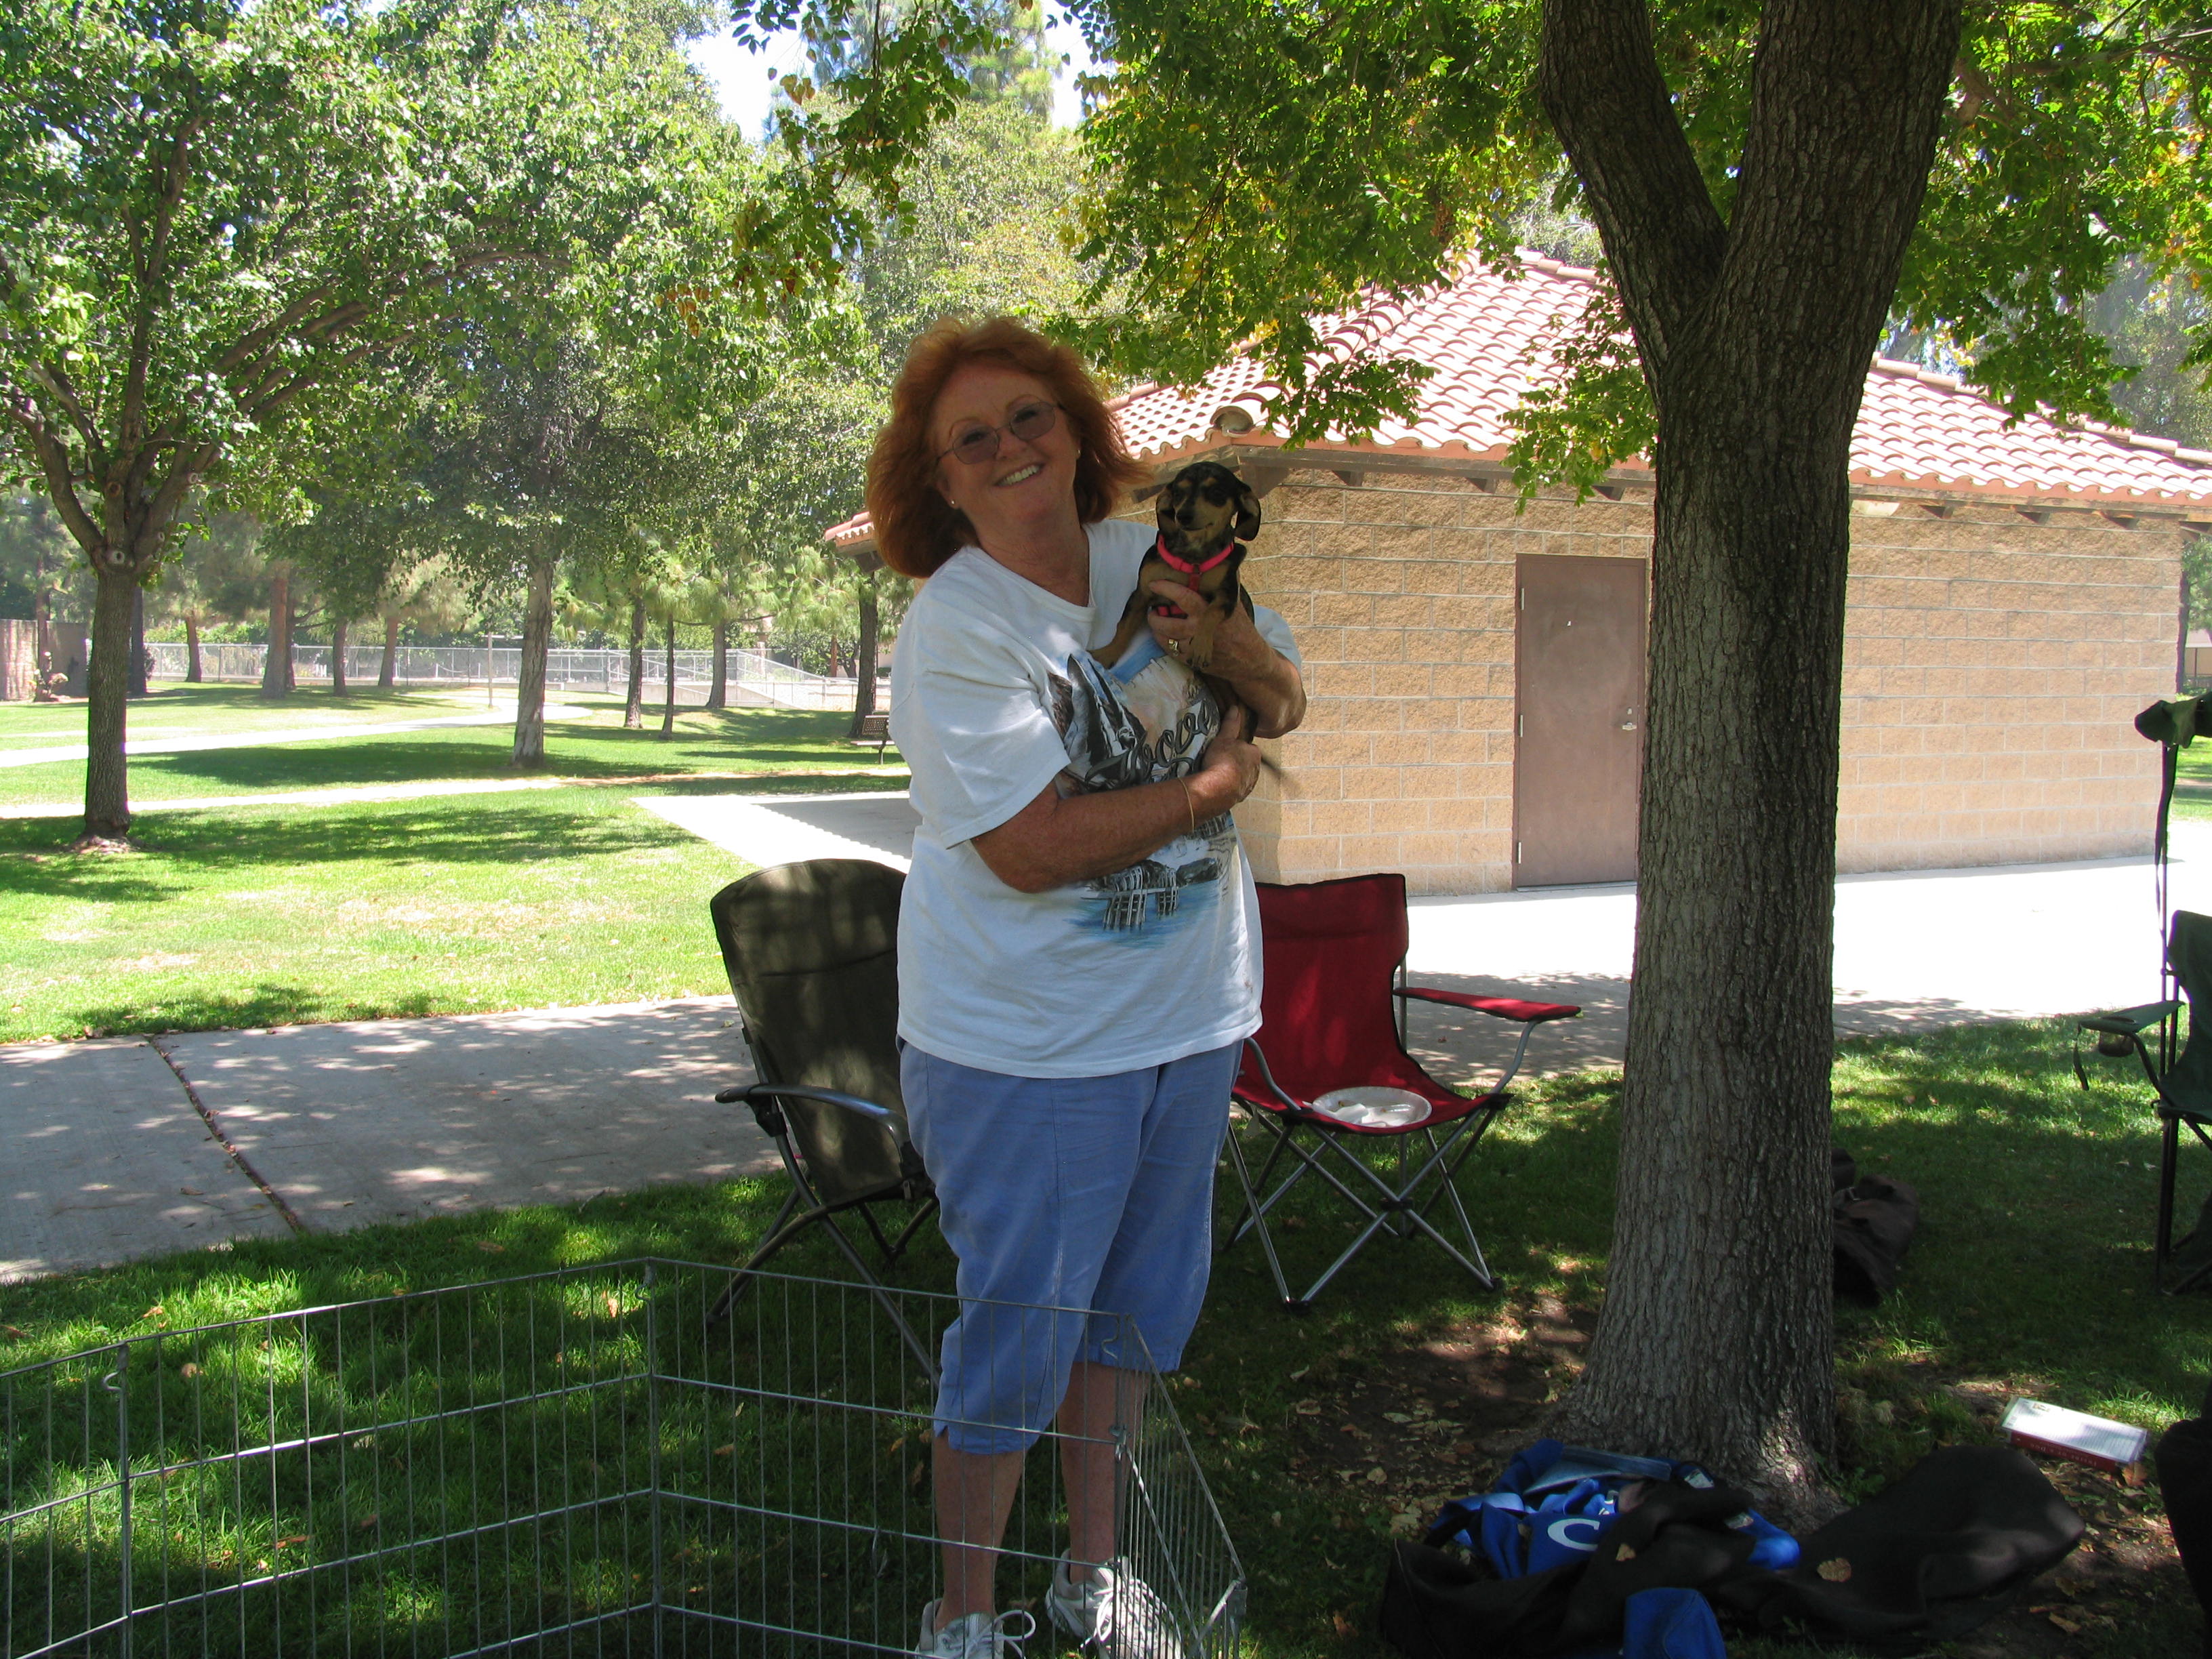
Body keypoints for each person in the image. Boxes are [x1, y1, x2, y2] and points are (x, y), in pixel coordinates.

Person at [878, 316, 1306, 1659]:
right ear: (942, 480)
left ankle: (1093, 1578)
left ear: (1076, 430)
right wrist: (1208, 791)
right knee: (1018, 1342)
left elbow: (1284, 697)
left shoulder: (1153, 558)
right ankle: (963, 1616)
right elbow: (1029, 848)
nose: (1009, 446)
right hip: (1028, 1049)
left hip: (1188, 1024)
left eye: (1030, 416)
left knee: (1126, 1330)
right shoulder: (956, 629)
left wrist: (1223, 641)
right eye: (973, 437)